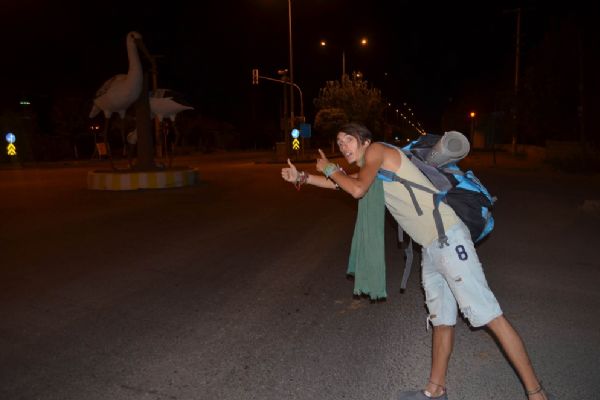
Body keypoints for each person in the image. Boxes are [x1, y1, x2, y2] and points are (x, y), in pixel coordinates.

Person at [280, 123, 551, 400]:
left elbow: (357, 189)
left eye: (348, 140)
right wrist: (302, 176)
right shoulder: (372, 168)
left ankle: (537, 394)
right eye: (339, 143)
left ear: (365, 141)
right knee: (441, 319)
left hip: (448, 239)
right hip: (432, 247)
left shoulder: (378, 151)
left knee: (490, 317)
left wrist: (329, 167)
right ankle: (435, 391)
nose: (343, 146)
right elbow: (342, 183)